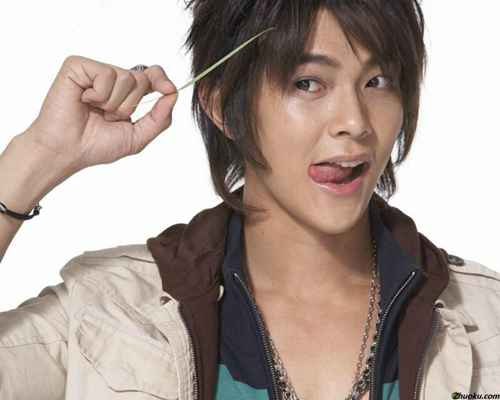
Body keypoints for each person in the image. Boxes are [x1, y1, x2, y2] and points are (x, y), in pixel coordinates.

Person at [0, 1, 499, 400]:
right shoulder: (109, 312)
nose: (354, 121)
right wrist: (35, 158)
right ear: (222, 105)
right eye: (308, 83)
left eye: (377, 81)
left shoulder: (488, 324)